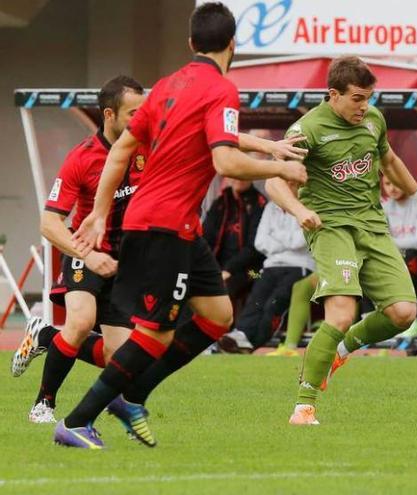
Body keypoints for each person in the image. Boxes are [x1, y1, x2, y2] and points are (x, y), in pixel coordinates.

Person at [55, 2, 308, 449]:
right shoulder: (222, 90)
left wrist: (97, 211)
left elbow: (121, 151)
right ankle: (77, 420)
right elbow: (224, 159)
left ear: (191, 42)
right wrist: (281, 170)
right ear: (234, 44)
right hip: (163, 225)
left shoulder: (168, 85)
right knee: (155, 333)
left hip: (176, 225)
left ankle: (132, 394)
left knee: (217, 317)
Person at [265, 56, 417, 425]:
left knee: (402, 313)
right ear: (333, 95)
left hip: (372, 226)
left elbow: (390, 160)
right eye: (358, 99)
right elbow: (273, 182)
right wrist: (300, 212)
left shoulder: (373, 120)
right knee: (342, 313)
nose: (365, 107)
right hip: (331, 228)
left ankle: (341, 350)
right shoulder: (307, 130)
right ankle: (304, 406)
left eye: (368, 98)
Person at [10, 76, 146, 424]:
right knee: (82, 322)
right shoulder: (82, 158)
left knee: (119, 356)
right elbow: (49, 223)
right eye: (133, 112)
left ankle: (45, 335)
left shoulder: (149, 147)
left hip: (126, 261)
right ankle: (44, 404)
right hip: (87, 252)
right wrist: (88, 254)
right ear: (109, 115)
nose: (140, 119)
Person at [218, 201, 314, 353]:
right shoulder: (270, 207)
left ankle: (255, 344)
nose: (288, 183)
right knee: (255, 300)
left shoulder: (309, 204)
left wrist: (275, 234)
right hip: (270, 265)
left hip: (300, 265)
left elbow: (300, 241)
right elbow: (259, 242)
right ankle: (241, 335)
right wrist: (287, 241)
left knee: (274, 304)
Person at [381, 175, 417, 353]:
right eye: (387, 184)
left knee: (410, 259)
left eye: (395, 182)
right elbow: (379, 240)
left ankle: (413, 321)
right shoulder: (384, 207)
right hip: (396, 257)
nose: (392, 188)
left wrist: (392, 243)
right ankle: (373, 320)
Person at [202, 178, 267, 309]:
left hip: (253, 271)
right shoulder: (220, 203)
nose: (239, 179)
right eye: (236, 174)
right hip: (217, 268)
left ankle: (230, 328)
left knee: (225, 287)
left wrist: (228, 269)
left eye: (244, 175)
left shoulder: (260, 204)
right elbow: (205, 240)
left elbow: (254, 248)